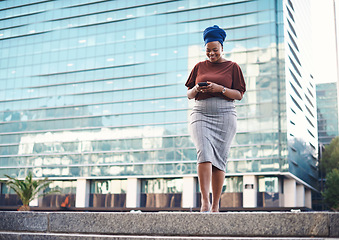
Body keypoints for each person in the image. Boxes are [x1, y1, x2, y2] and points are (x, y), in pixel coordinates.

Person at [185, 25, 246, 212]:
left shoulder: (233, 67)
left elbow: (239, 94)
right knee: (204, 152)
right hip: (201, 113)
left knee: (219, 159)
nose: (211, 54)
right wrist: (198, 89)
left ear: (222, 47)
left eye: (215, 50)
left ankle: (215, 205)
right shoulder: (199, 66)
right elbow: (189, 94)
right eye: (208, 50)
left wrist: (220, 89)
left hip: (225, 114)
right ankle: (204, 201)